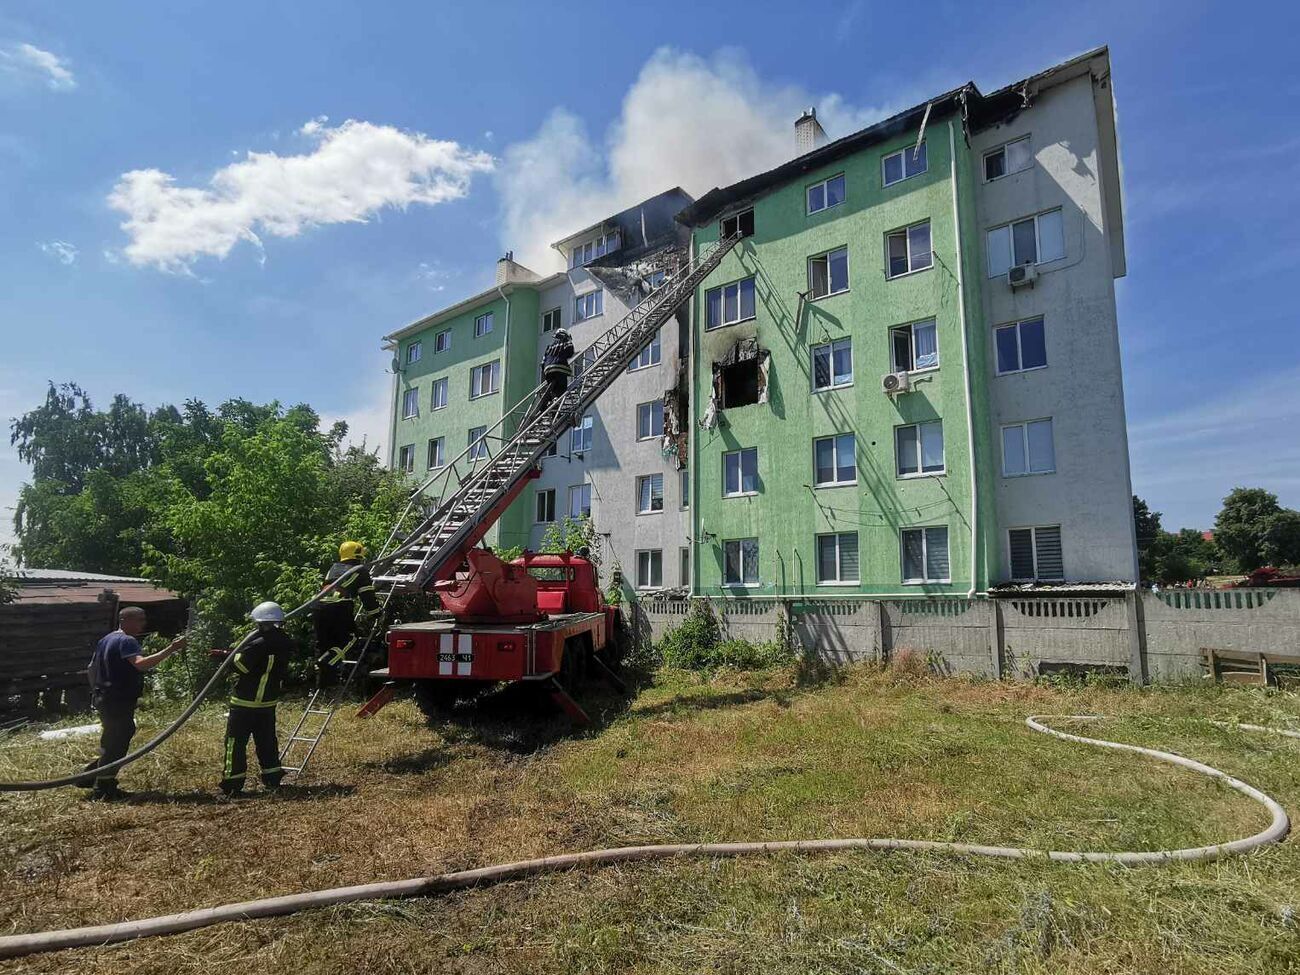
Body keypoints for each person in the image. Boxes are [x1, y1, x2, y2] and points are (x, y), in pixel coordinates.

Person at [82, 607, 187, 800]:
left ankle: (93, 776)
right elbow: (141, 664)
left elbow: (91, 668)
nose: (143, 623)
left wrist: (96, 691)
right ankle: (102, 786)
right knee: (117, 741)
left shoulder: (106, 639)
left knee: (115, 737)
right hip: (118, 699)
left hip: (105, 698)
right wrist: (172, 649)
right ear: (125, 620)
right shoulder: (127, 641)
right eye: (139, 620)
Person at [217, 601, 292, 796]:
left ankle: (232, 784)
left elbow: (241, 666)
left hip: (245, 703)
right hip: (268, 702)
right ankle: (273, 778)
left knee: (235, 743)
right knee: (267, 741)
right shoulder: (285, 641)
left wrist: (225, 657)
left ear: (260, 623)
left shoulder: (258, 643)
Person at [311, 540, 381, 691]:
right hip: (338, 607)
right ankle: (328, 661)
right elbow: (366, 595)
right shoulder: (360, 570)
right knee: (351, 639)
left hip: (318, 607)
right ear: (359, 554)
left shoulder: (333, 568)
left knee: (324, 644)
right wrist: (375, 613)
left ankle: (323, 684)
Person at [528, 328, 575, 425]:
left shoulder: (549, 347)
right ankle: (556, 404)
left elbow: (542, 362)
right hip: (559, 368)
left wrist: (545, 376)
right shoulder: (565, 342)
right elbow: (570, 352)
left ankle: (544, 407)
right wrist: (569, 341)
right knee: (561, 389)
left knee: (550, 391)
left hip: (548, 370)